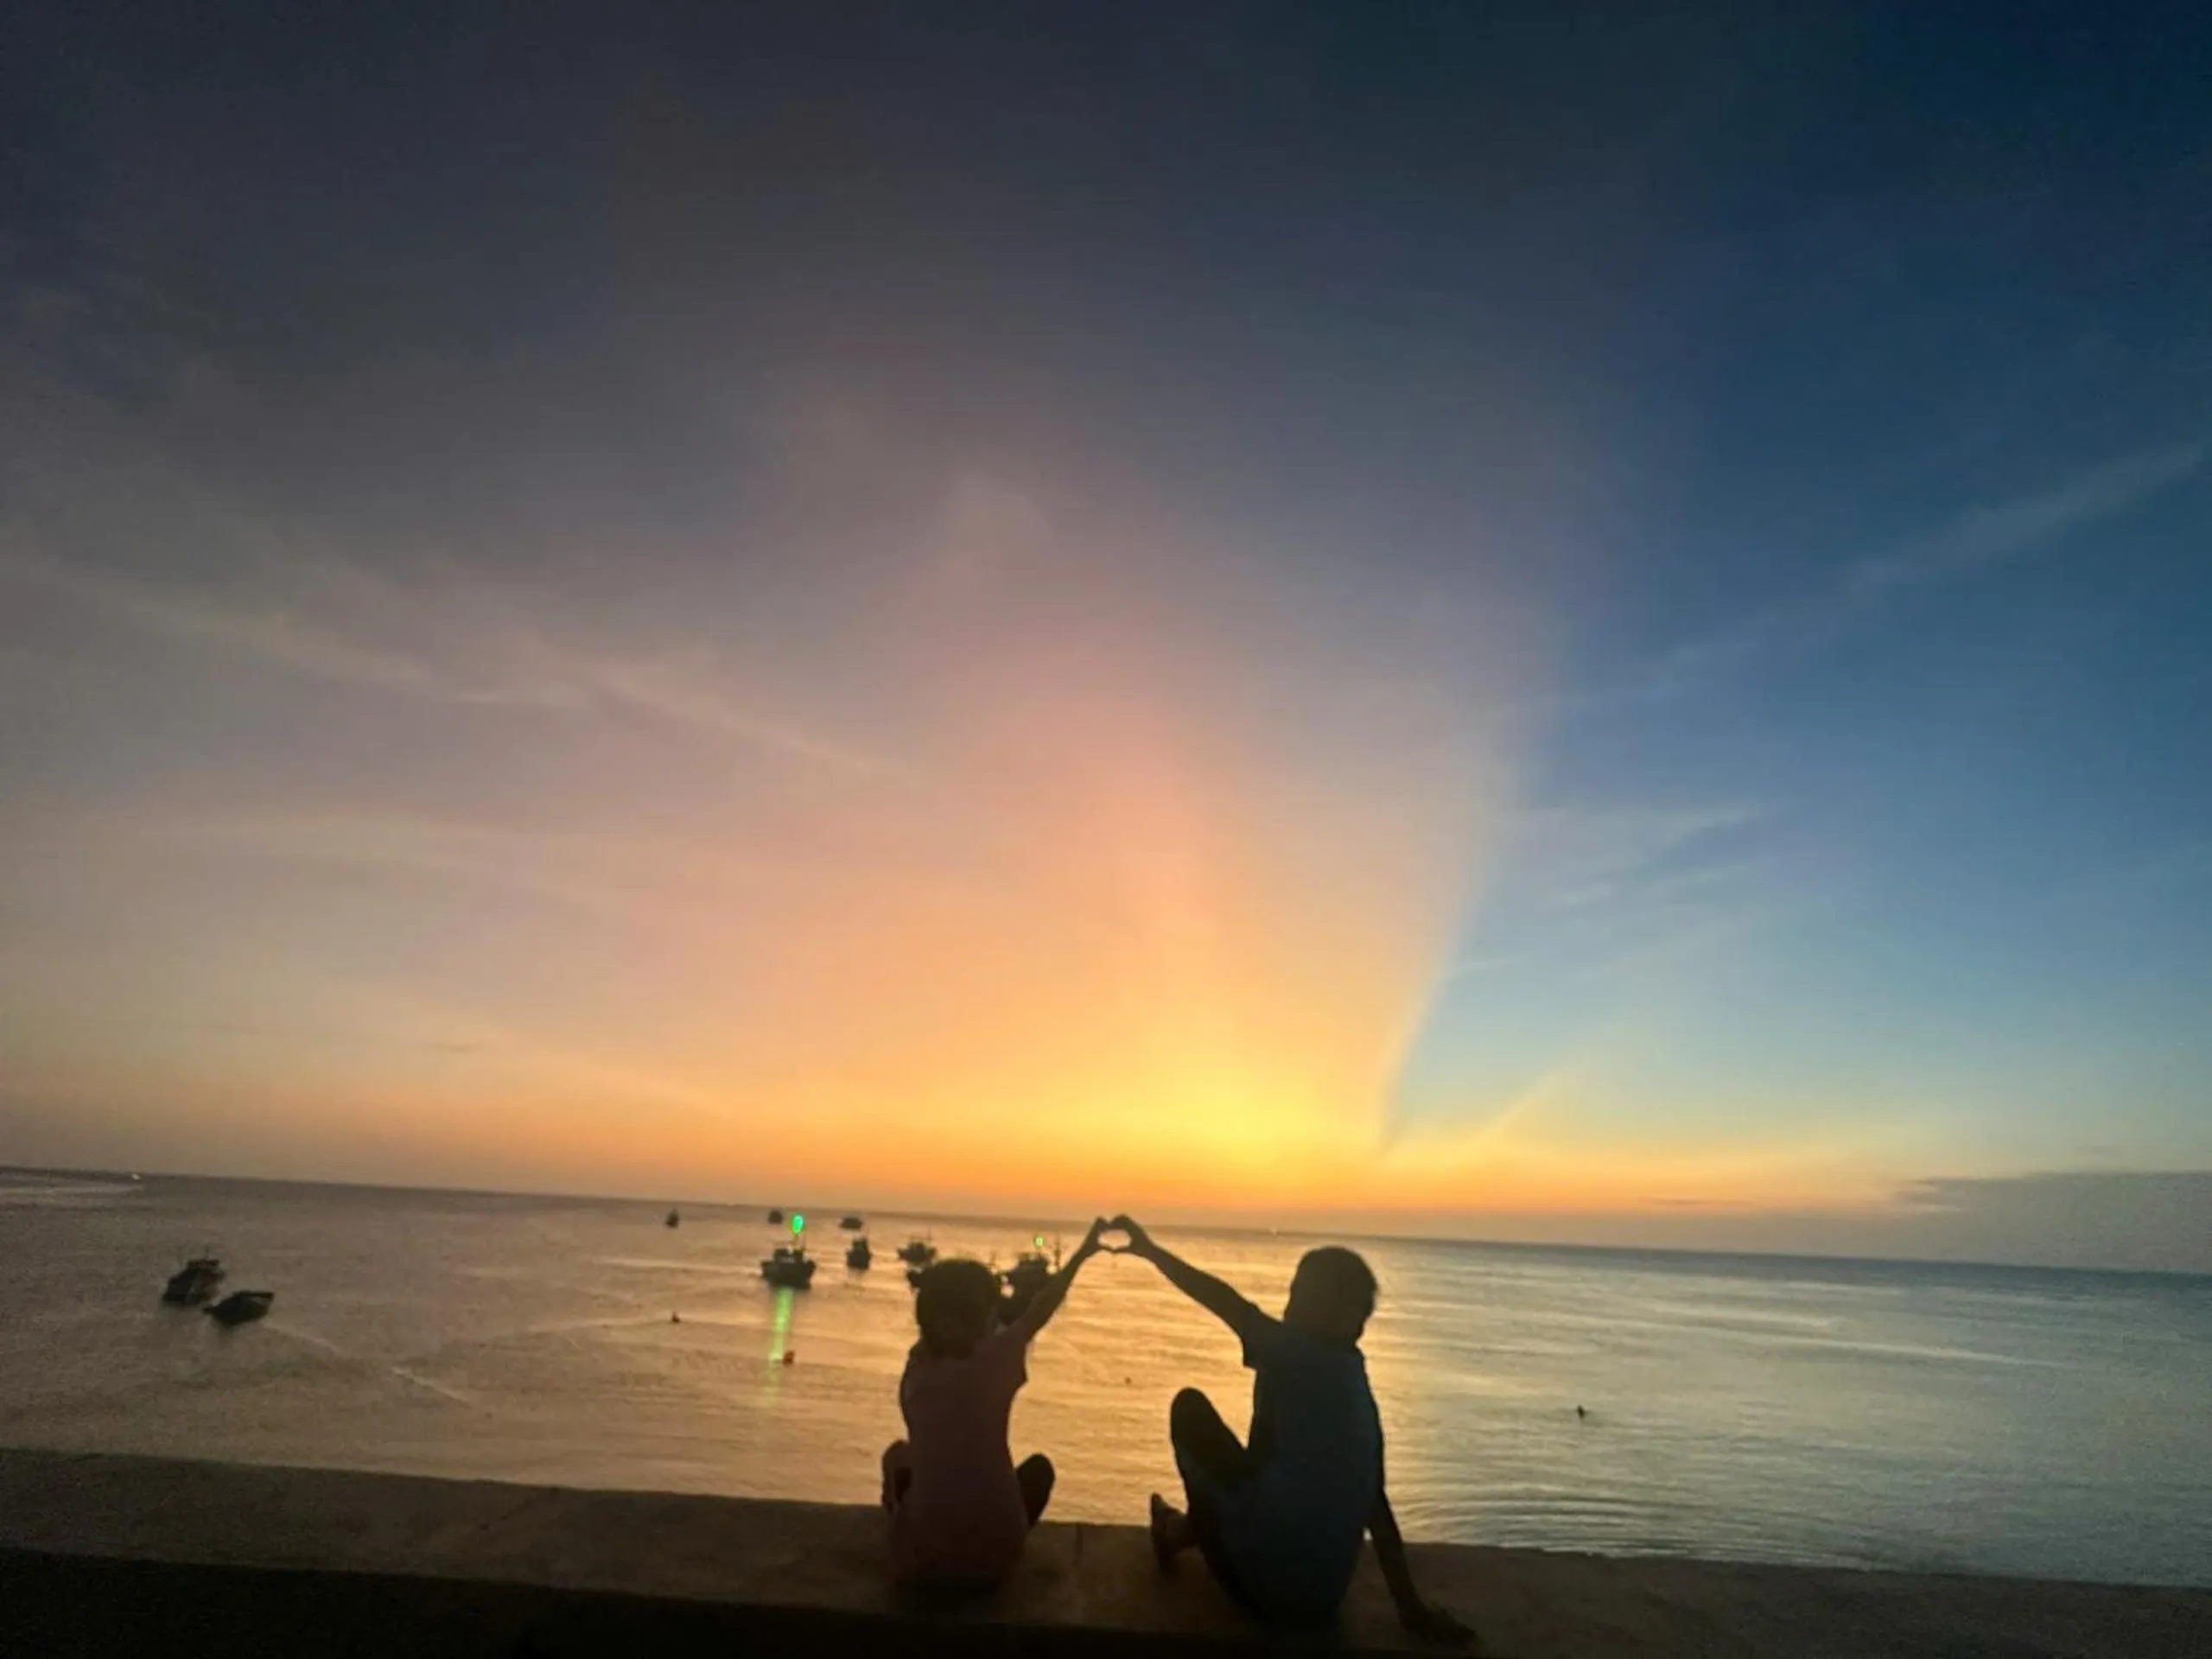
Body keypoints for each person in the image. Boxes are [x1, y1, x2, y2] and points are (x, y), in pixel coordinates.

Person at [1113, 1214, 1475, 1647]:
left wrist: (1150, 1250)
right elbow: (1376, 1505)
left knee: (1189, 1410)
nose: (1290, 1307)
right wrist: (1410, 1609)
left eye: (1303, 1297)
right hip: (1322, 1603)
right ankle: (1184, 1528)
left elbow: (1219, 1298)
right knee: (1262, 1458)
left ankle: (1172, 1533)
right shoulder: (1356, 1386)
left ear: (1344, 1318)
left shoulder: (1292, 1351)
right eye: (1294, 1293)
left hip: (1264, 1594)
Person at [880, 1217, 1109, 1587]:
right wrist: (1084, 1251)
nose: (997, 1319)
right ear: (968, 1320)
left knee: (897, 1455)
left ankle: (905, 1524)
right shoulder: (993, 1361)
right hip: (996, 1559)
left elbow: (932, 1349)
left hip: (923, 1562)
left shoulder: (915, 1377)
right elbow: (1041, 1309)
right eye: (990, 1311)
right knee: (1038, 1472)